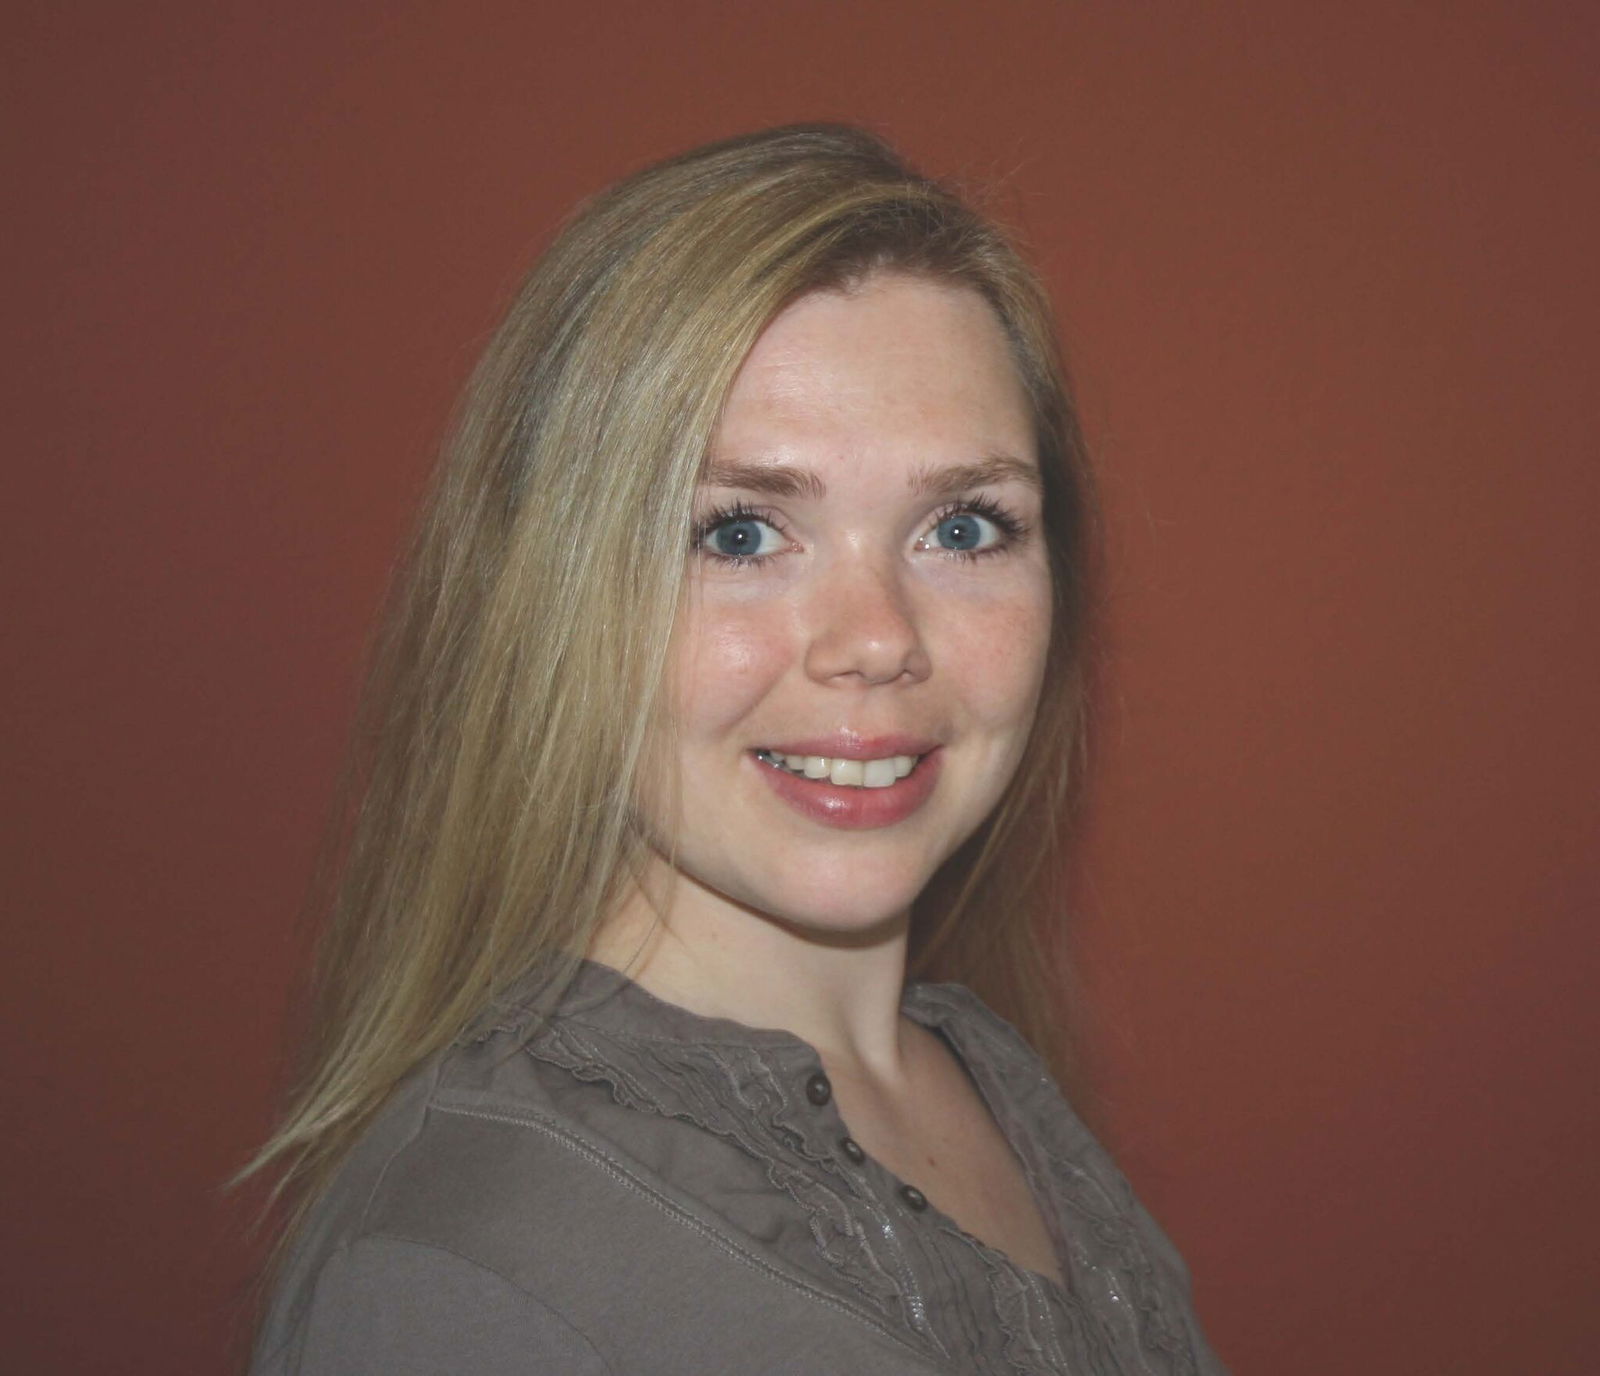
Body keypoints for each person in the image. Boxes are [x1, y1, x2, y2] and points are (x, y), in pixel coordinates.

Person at [244, 124, 1227, 1375]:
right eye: (741, 534)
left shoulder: (991, 1082)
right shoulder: (467, 1274)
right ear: (548, 596)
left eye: (962, 526)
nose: (877, 640)